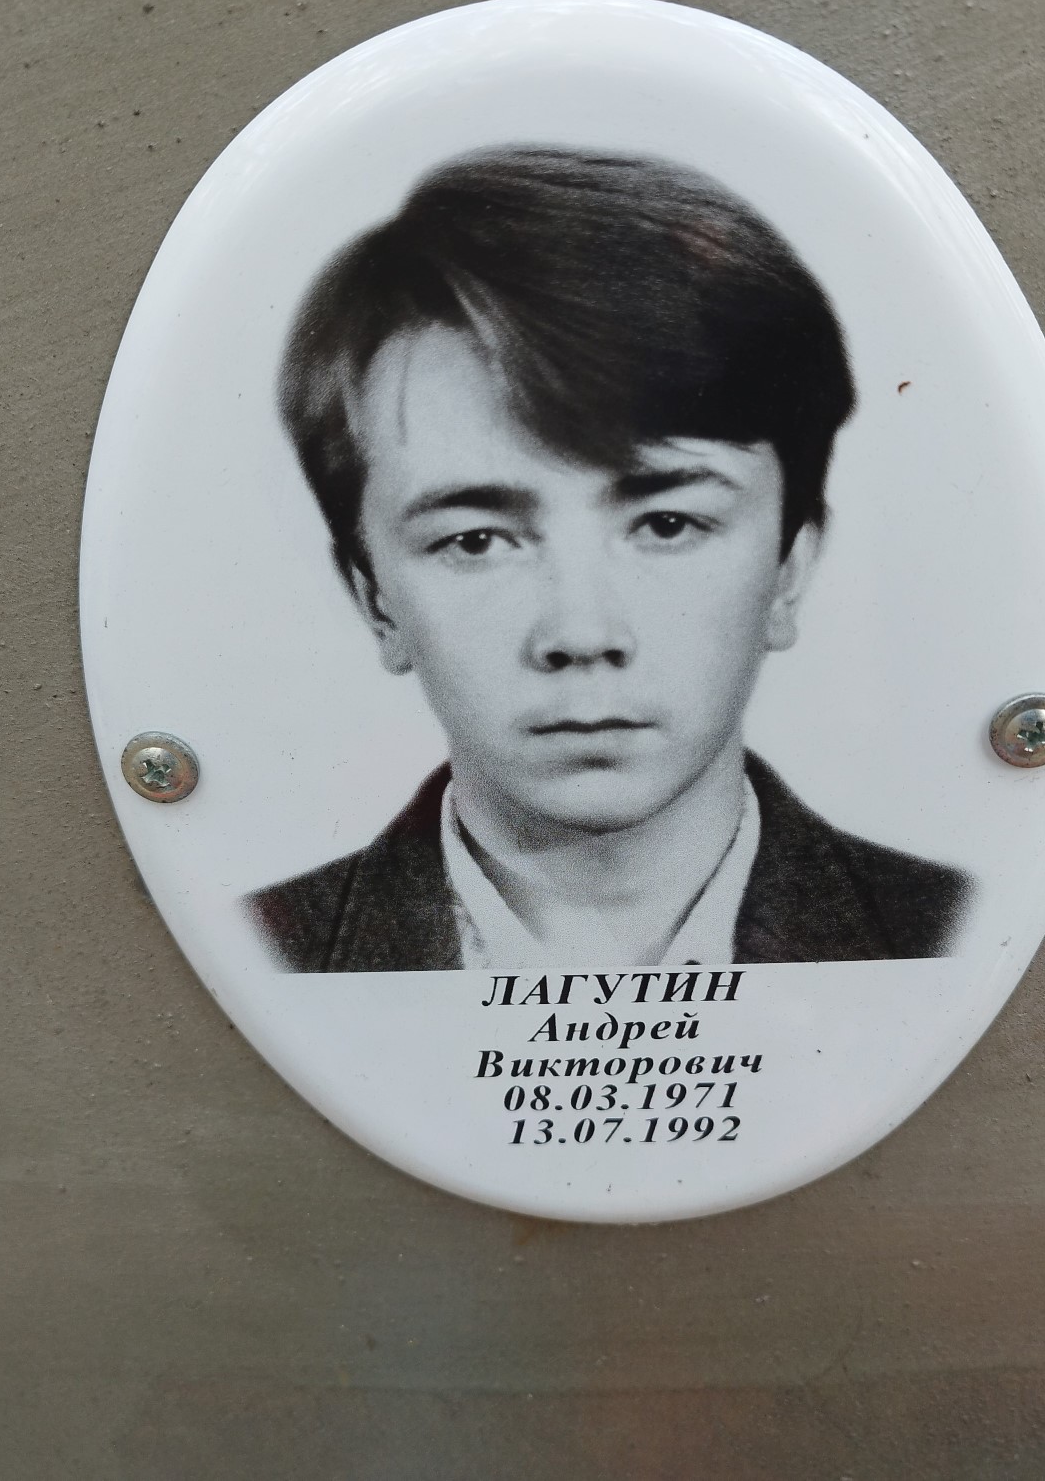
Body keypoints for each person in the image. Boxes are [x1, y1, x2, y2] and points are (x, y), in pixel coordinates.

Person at [247, 145, 969, 972]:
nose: (582, 634)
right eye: (476, 541)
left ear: (789, 569)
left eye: (667, 524)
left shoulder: (949, 936)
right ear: (375, 600)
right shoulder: (266, 956)